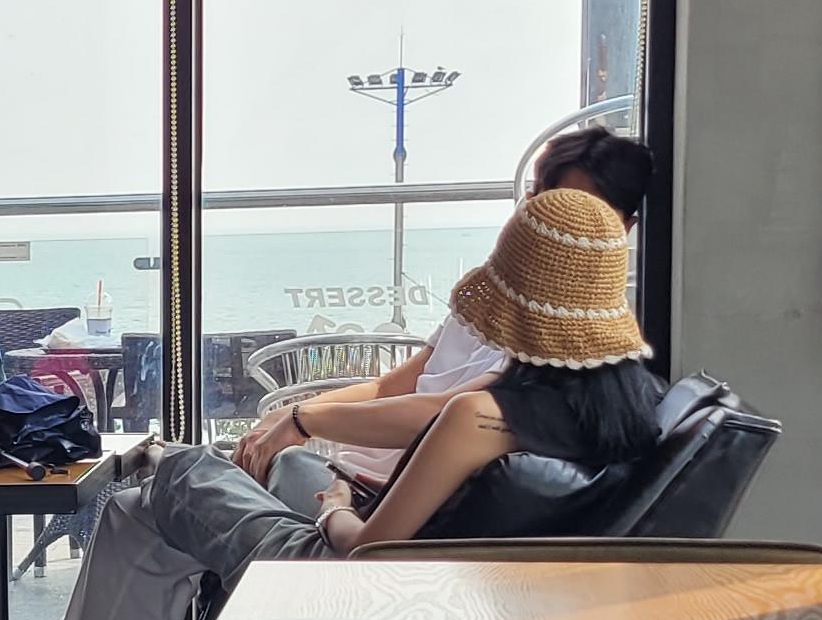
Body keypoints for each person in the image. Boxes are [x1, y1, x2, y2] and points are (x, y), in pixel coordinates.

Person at [0, 187, 669, 620]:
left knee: (178, 473)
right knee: (158, 508)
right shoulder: (633, 409)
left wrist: (337, 506)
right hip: (455, 594)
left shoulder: (480, 414)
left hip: (354, 592)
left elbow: (368, 555)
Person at [238, 126, 655, 519]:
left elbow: (444, 415)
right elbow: (388, 388)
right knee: (227, 468)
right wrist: (288, 414)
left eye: (589, 215)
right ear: (529, 205)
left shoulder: (561, 357)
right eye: (554, 207)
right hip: (347, 473)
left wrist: (304, 421)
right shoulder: (488, 308)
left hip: (375, 496)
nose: (567, 229)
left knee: (215, 474)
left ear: (624, 229)